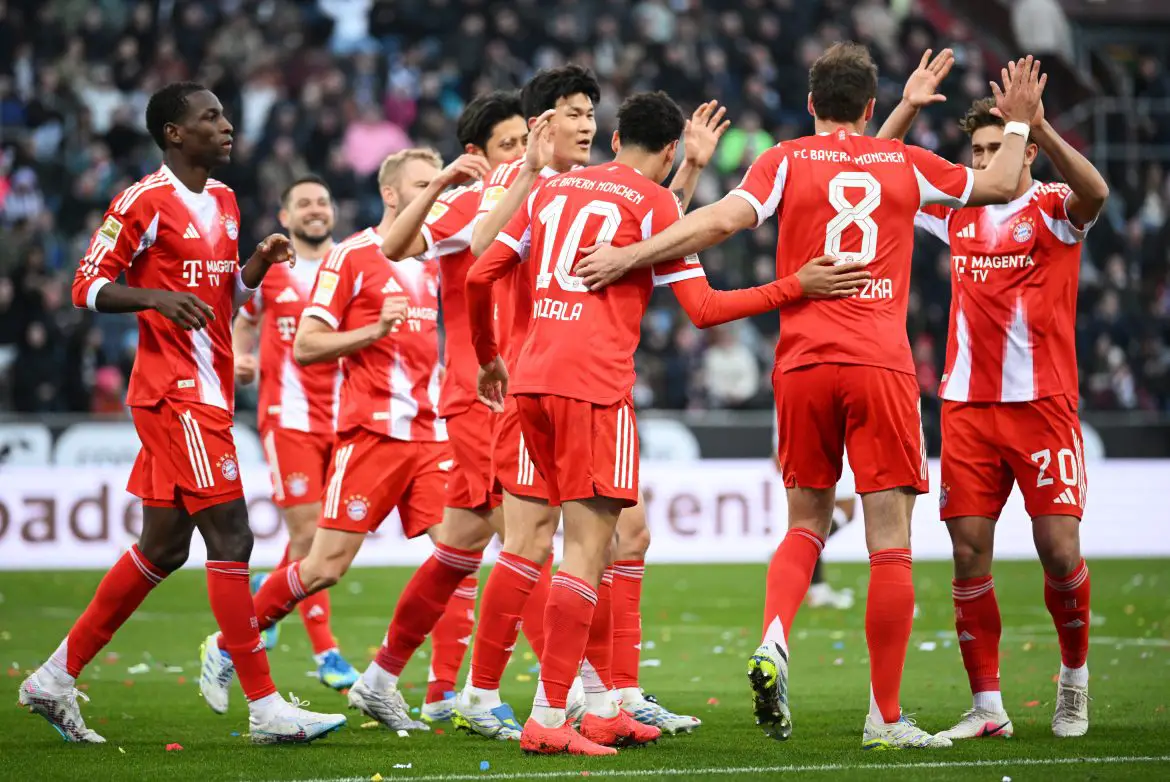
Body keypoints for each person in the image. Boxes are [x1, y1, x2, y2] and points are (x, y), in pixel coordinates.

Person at [573, 46, 1047, 750]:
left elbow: (718, 224)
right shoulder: (906, 164)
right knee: (890, 540)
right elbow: (1005, 183)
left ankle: (773, 636)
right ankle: (885, 717)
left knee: (805, 523)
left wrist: (629, 254)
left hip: (801, 365)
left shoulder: (786, 161)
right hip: (880, 365)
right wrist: (1017, 122)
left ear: (809, 105)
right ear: (867, 105)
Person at [466, 90, 871, 756]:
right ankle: (547, 717)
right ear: (671, 152)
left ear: (616, 134)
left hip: (531, 380)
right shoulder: (654, 205)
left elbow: (481, 271)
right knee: (587, 550)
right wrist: (799, 285)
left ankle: (602, 704)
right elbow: (705, 309)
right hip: (593, 388)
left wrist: (490, 356)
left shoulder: (553, 190)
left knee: (615, 540)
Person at [22, 81, 345, 744]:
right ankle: (263, 707)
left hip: (208, 389)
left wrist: (252, 267)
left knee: (163, 549)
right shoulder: (144, 200)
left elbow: (218, 297)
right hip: (175, 393)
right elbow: (85, 285)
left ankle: (53, 679)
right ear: (174, 133)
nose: (227, 126)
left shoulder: (224, 201)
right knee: (232, 539)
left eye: (225, 114)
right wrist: (152, 299)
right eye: (211, 117)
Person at [198, 149, 497, 733]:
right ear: (392, 194)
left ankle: (393, 682)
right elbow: (308, 345)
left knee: (458, 555)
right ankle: (231, 641)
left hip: (430, 434)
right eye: (425, 186)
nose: (439, 197)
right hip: (371, 435)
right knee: (323, 564)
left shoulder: (437, 258)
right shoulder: (353, 255)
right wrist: (373, 331)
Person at [880, 60, 1108, 739]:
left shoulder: (1052, 210)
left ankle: (1074, 680)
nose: (982, 160)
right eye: (974, 152)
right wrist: (908, 106)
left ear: (1024, 151)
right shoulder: (957, 213)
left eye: (993, 149)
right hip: (968, 409)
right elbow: (878, 167)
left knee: (1059, 550)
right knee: (968, 552)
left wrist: (1036, 121)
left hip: (1043, 405)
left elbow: (1096, 193)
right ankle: (988, 707)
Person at [378, 91, 525, 722]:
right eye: (509, 144)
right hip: (478, 394)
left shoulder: (542, 197)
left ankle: (380, 678)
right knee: (527, 541)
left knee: (458, 551)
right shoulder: (472, 201)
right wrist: (438, 184)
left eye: (527, 140)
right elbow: (393, 243)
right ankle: (569, 690)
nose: (522, 153)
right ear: (477, 155)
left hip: (519, 389)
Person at [232, 174, 360, 690]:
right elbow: (245, 316)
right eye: (303, 203)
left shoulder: (353, 263)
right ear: (284, 216)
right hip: (288, 418)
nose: (315, 209)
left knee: (331, 537)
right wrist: (242, 354)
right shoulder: (273, 271)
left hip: (350, 417)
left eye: (322, 201)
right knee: (310, 539)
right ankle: (328, 654)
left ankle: (270, 589)